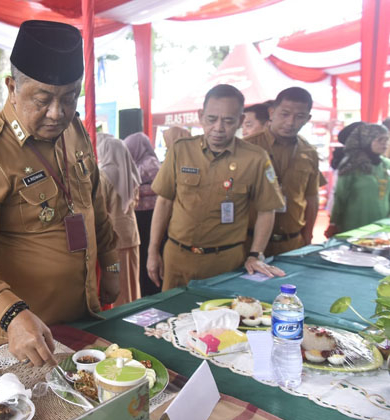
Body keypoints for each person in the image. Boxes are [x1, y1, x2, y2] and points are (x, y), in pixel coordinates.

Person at [0, 20, 119, 367]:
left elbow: (95, 203)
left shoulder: (74, 130)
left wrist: (111, 263)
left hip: (84, 316)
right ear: (12, 86)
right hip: (27, 334)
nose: (57, 113)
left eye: (69, 98)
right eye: (42, 99)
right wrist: (11, 314)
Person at [147, 84, 285, 291]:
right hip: (177, 257)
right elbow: (164, 201)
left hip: (225, 262)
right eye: (212, 119)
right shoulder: (181, 150)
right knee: (172, 318)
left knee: (221, 320)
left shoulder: (255, 158)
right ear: (201, 116)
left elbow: (267, 209)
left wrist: (256, 254)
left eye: (228, 121)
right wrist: (152, 251)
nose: (219, 128)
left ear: (239, 121)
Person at [244, 87, 320, 256]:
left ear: (307, 119)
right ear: (271, 112)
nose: (290, 122)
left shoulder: (309, 153)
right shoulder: (246, 147)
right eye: (284, 114)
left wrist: (308, 238)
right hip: (248, 244)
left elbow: (311, 198)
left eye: (299, 116)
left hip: (291, 244)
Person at [97, 133, 141, 306]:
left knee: (117, 280)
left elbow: (100, 208)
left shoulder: (104, 175)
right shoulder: (131, 174)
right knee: (132, 280)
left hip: (113, 237)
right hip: (131, 235)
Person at [328, 123, 390, 234]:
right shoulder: (351, 165)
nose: (384, 144)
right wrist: (334, 223)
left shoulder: (386, 164)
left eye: (386, 140)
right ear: (367, 140)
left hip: (382, 222)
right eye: (380, 140)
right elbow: (340, 196)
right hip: (355, 223)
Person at [124, 132, 163, 296]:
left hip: (150, 216)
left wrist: (134, 191)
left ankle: (152, 289)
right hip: (141, 215)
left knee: (150, 252)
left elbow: (159, 189)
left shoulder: (150, 164)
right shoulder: (138, 163)